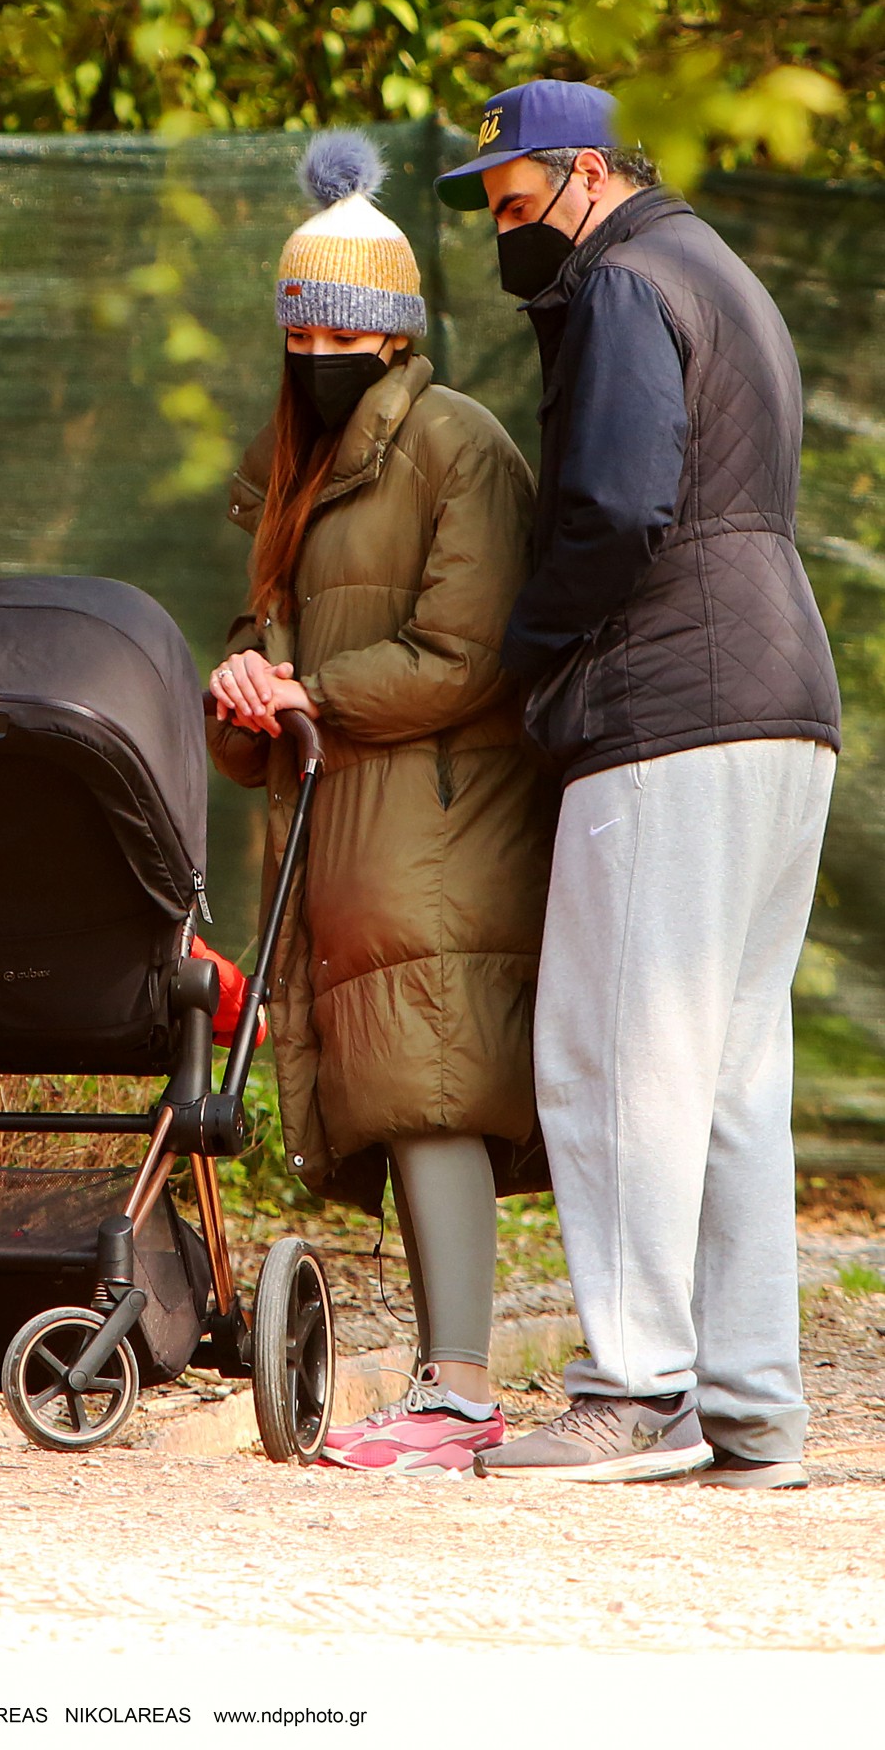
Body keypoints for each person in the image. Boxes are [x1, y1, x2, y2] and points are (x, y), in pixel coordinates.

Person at [435, 80, 840, 1490]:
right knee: (730, 1070)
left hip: (671, 699)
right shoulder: (714, 267)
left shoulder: (619, 282)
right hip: (785, 704)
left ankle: (630, 1391)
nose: (503, 235)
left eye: (511, 201)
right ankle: (748, 1402)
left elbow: (613, 505)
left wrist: (528, 656)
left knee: (612, 1050)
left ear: (584, 175)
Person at [207, 129, 556, 1476]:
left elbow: (468, 654)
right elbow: (267, 640)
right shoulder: (291, 463)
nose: (319, 362)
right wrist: (244, 700)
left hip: (439, 818)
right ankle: (444, 1384)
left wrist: (307, 697)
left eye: (346, 341)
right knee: (409, 1098)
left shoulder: (452, 446)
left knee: (432, 1091)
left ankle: (461, 1392)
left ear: (397, 338)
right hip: (342, 819)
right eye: (301, 341)